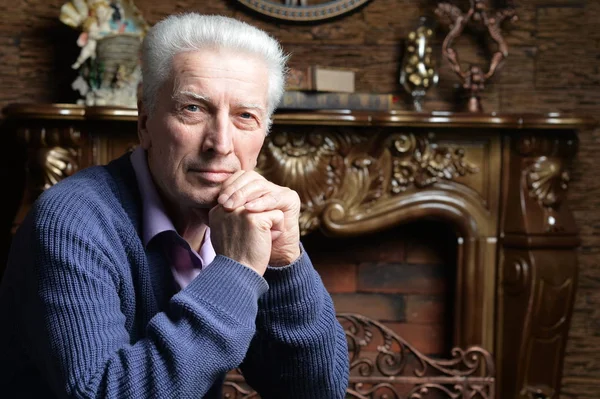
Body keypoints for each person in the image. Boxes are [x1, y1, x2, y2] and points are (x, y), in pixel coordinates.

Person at [0, 12, 350, 398]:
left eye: (245, 116)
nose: (220, 143)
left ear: (263, 134)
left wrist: (284, 265)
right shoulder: (70, 221)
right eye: (193, 109)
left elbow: (318, 390)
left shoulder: (240, 220)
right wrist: (236, 271)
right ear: (145, 121)